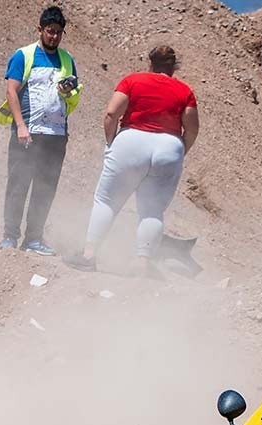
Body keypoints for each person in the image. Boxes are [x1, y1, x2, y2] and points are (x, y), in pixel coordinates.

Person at [63, 45, 199, 274]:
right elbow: (192, 129)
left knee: (106, 201)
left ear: (150, 63)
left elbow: (111, 113)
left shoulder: (133, 80)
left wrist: (111, 142)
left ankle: (89, 256)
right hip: (169, 146)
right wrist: (178, 152)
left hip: (131, 142)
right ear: (173, 67)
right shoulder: (185, 91)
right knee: (152, 211)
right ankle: (142, 263)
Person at [0, 6, 82, 255]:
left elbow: (72, 95)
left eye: (58, 32)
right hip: (28, 132)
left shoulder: (67, 60)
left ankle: (34, 238)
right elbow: (11, 90)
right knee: (18, 184)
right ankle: (9, 237)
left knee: (45, 188)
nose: (54, 36)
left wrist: (68, 91)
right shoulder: (24, 55)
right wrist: (21, 126)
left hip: (55, 134)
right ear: (40, 30)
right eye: (49, 31)